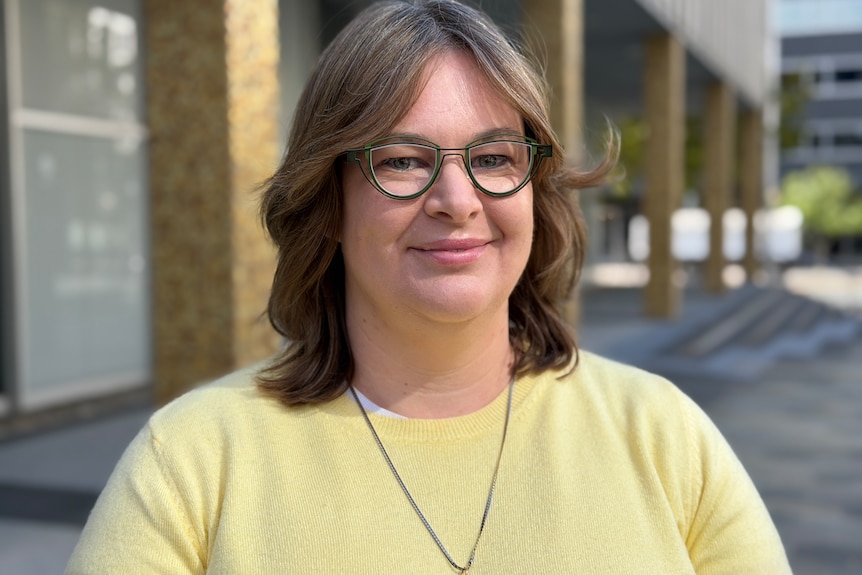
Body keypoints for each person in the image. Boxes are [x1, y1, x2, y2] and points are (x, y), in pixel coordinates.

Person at [67, 1, 792, 573]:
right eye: (405, 160)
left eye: (496, 156)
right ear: (330, 201)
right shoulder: (192, 461)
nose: (458, 197)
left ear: (533, 188)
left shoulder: (664, 434)